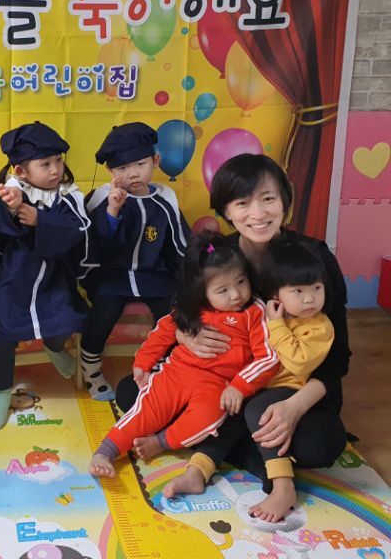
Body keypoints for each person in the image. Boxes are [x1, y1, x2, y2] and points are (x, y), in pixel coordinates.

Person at [118, 154, 350, 497]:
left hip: (288, 385)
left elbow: (337, 356)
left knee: (320, 445)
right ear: (226, 211)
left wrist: (295, 407)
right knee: (131, 392)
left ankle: (218, 443)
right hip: (216, 382)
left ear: (285, 200)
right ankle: (255, 453)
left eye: (268, 199)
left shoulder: (311, 258)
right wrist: (186, 333)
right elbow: (180, 309)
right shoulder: (216, 253)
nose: (258, 214)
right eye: (242, 203)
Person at [164, 236, 334, 523]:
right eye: (298, 291)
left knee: (258, 412)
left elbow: (297, 361)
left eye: (317, 289)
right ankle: (197, 471)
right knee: (226, 414)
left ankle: (283, 486)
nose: (309, 299)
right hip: (254, 382)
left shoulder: (319, 326)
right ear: (276, 293)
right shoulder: (268, 308)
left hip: (289, 388)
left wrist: (276, 325)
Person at [89, 231, 278, 478]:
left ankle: (161, 441)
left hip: (218, 385)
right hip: (176, 373)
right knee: (145, 410)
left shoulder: (255, 311)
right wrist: (143, 363)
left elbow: (268, 357)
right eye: (222, 290)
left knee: (208, 418)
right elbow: (163, 331)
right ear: (203, 292)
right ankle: (106, 451)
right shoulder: (192, 306)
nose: (235, 294)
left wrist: (239, 387)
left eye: (241, 282)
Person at [0, 121, 91, 430]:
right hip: (16, 276)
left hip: (54, 277)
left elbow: (79, 228)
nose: (55, 169)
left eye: (58, 160)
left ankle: (53, 348)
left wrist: (40, 219)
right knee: (4, 331)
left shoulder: (69, 194)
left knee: (67, 317)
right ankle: (2, 393)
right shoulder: (11, 191)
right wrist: (14, 210)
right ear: (21, 170)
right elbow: (1, 230)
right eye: (45, 164)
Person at [80, 122, 189, 400]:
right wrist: (113, 211)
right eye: (122, 168)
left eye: (140, 164)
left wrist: (212, 252)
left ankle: (163, 364)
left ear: (156, 161)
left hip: (154, 274)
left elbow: (182, 241)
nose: (133, 173)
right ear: (110, 172)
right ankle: (90, 367)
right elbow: (94, 244)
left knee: (171, 314)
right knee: (104, 312)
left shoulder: (165, 198)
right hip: (111, 274)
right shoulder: (102, 198)